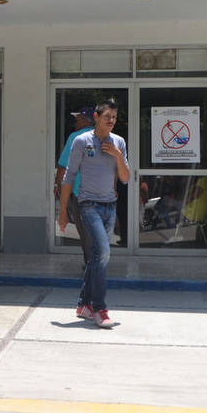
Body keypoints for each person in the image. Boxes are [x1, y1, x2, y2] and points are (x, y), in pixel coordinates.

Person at [57, 98, 130, 329]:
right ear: (96, 118)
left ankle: (83, 304)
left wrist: (118, 155)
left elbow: (125, 178)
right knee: (104, 254)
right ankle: (100, 308)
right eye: (107, 116)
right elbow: (68, 176)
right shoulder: (81, 141)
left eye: (114, 117)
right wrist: (63, 212)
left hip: (110, 206)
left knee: (96, 256)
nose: (111, 121)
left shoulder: (119, 142)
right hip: (88, 205)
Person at [53, 106, 95, 301]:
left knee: (84, 229)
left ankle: (91, 264)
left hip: (81, 192)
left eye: (78, 118)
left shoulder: (75, 137)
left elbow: (63, 165)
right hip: (101, 193)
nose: (75, 122)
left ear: (86, 120)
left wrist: (57, 184)